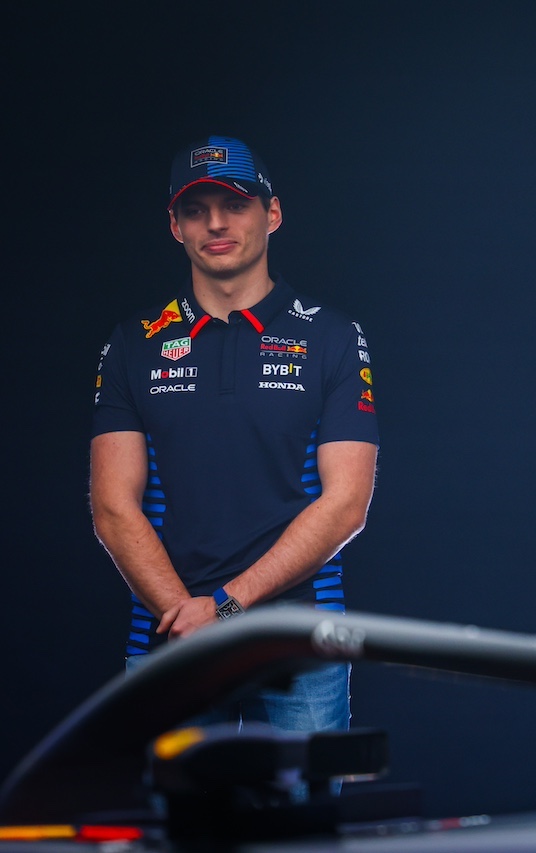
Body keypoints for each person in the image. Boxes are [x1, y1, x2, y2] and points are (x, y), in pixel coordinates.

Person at [89, 134, 380, 733]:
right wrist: (185, 618)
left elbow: (347, 503)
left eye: (236, 204)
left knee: (303, 825)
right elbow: (113, 508)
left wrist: (223, 610)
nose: (216, 223)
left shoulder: (331, 337)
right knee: (173, 825)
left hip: (299, 645)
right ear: (175, 225)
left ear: (272, 213)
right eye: (195, 210)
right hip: (168, 646)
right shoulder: (132, 344)